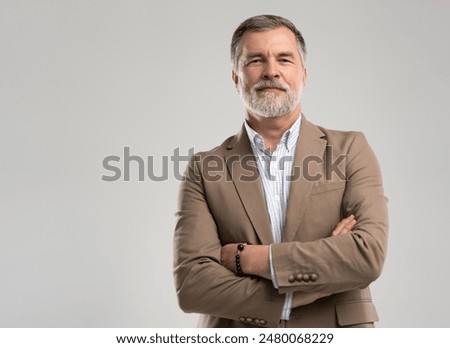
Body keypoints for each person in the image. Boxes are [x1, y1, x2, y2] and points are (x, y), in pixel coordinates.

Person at [173, 14, 388, 328]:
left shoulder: (349, 149)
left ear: (303, 75)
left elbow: (366, 256)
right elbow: (192, 286)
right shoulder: (205, 169)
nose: (271, 71)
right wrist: (325, 273)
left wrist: (248, 258)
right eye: (255, 60)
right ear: (235, 78)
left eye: (284, 59)